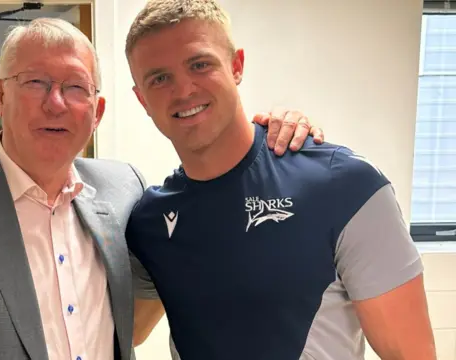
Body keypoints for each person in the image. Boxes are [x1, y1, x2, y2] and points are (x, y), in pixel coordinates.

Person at [0, 18, 321, 360]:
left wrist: (275, 135)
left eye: (76, 88)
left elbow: (208, 188)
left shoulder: (125, 189)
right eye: (35, 83)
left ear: (98, 111)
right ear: (1, 97)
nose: (56, 103)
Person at [124, 1, 436, 360]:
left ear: (236, 65)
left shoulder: (346, 186)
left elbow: (412, 354)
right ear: (142, 99)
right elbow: (129, 329)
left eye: (200, 64)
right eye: (159, 78)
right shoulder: (149, 221)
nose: (183, 90)